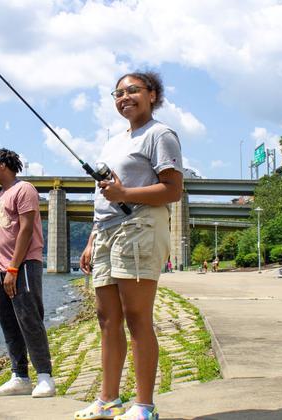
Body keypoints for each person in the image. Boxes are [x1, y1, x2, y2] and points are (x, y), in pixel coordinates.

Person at [76, 71, 184, 420]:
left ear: (152, 94)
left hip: (140, 226)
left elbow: (172, 190)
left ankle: (144, 406)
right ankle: (108, 400)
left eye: (133, 90)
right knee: (107, 319)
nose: (125, 97)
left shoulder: (160, 134)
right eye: (118, 93)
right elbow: (104, 195)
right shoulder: (113, 142)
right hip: (107, 230)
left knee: (137, 317)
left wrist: (124, 194)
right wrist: (93, 238)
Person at [0, 148, 56, 398]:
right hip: (1, 269)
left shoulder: (25, 190)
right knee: (8, 322)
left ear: (3, 165)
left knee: (29, 319)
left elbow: (26, 229)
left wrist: (13, 267)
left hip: (22, 266)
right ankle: (20, 376)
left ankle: (45, 377)